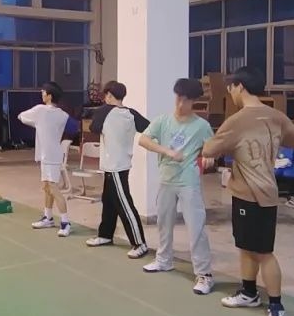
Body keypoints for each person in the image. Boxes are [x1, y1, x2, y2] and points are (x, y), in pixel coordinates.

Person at [202, 66, 294, 316]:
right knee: (246, 246)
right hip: (261, 191)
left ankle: (276, 306)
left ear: (239, 87)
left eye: (230, 88)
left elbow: (210, 149)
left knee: (263, 252)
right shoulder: (276, 116)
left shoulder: (238, 120)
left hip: (252, 194)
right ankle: (249, 292)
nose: (230, 93)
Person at [137, 78, 216, 294]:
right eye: (179, 98)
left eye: (186, 100)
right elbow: (143, 140)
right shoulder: (163, 121)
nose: (181, 104)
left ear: (194, 101)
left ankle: (204, 274)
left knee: (196, 227)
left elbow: (212, 148)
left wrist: (209, 156)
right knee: (163, 222)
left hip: (188, 182)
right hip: (166, 179)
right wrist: (167, 151)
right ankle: (164, 260)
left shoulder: (201, 126)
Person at [85, 80, 150, 258]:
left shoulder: (104, 111)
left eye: (106, 95)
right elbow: (148, 127)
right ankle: (105, 235)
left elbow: (93, 127)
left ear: (109, 95)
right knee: (109, 201)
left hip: (114, 167)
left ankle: (140, 243)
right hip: (119, 164)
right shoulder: (131, 113)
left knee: (124, 204)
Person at [20, 81, 72, 237]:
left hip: (51, 156)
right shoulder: (63, 115)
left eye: (43, 92)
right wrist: (39, 124)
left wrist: (37, 123)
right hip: (48, 155)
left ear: (49, 96)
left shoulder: (40, 110)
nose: (41, 94)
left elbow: (21, 116)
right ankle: (48, 217)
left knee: (53, 188)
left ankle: (65, 222)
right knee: (47, 187)